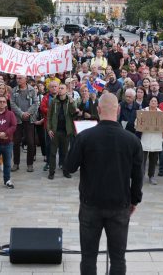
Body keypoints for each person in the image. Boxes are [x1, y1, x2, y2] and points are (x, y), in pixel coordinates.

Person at [65, 93, 143, 275]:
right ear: (119, 110)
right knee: (118, 258)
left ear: (98, 110)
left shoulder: (85, 137)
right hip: (120, 205)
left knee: (88, 257)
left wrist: (75, 142)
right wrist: (134, 201)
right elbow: (138, 176)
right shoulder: (132, 140)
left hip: (90, 205)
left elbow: (69, 167)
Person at [10, 75, 39, 172]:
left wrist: (28, 113)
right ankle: (16, 163)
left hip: (29, 119)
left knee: (31, 142)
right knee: (16, 142)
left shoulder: (32, 90)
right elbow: (12, 104)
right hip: (18, 120)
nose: (18, 80)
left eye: (20, 78)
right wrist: (21, 113)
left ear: (25, 79)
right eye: (17, 78)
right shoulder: (14, 90)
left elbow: (36, 103)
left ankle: (30, 164)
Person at [46, 83, 75, 180]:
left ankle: (66, 171)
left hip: (66, 131)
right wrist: (49, 129)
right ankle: (51, 172)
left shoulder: (69, 101)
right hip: (55, 131)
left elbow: (73, 113)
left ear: (66, 90)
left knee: (65, 153)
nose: (60, 90)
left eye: (62, 88)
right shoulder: (54, 101)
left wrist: (71, 102)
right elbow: (49, 116)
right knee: (53, 153)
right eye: (60, 88)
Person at [138, 97, 163, 184]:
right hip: (145, 138)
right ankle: (141, 176)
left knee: (153, 160)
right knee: (142, 160)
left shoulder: (161, 113)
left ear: (157, 103)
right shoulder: (143, 111)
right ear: (149, 103)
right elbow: (136, 123)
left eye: (155, 101)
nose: (153, 102)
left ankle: (151, 176)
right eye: (152, 101)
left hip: (156, 139)